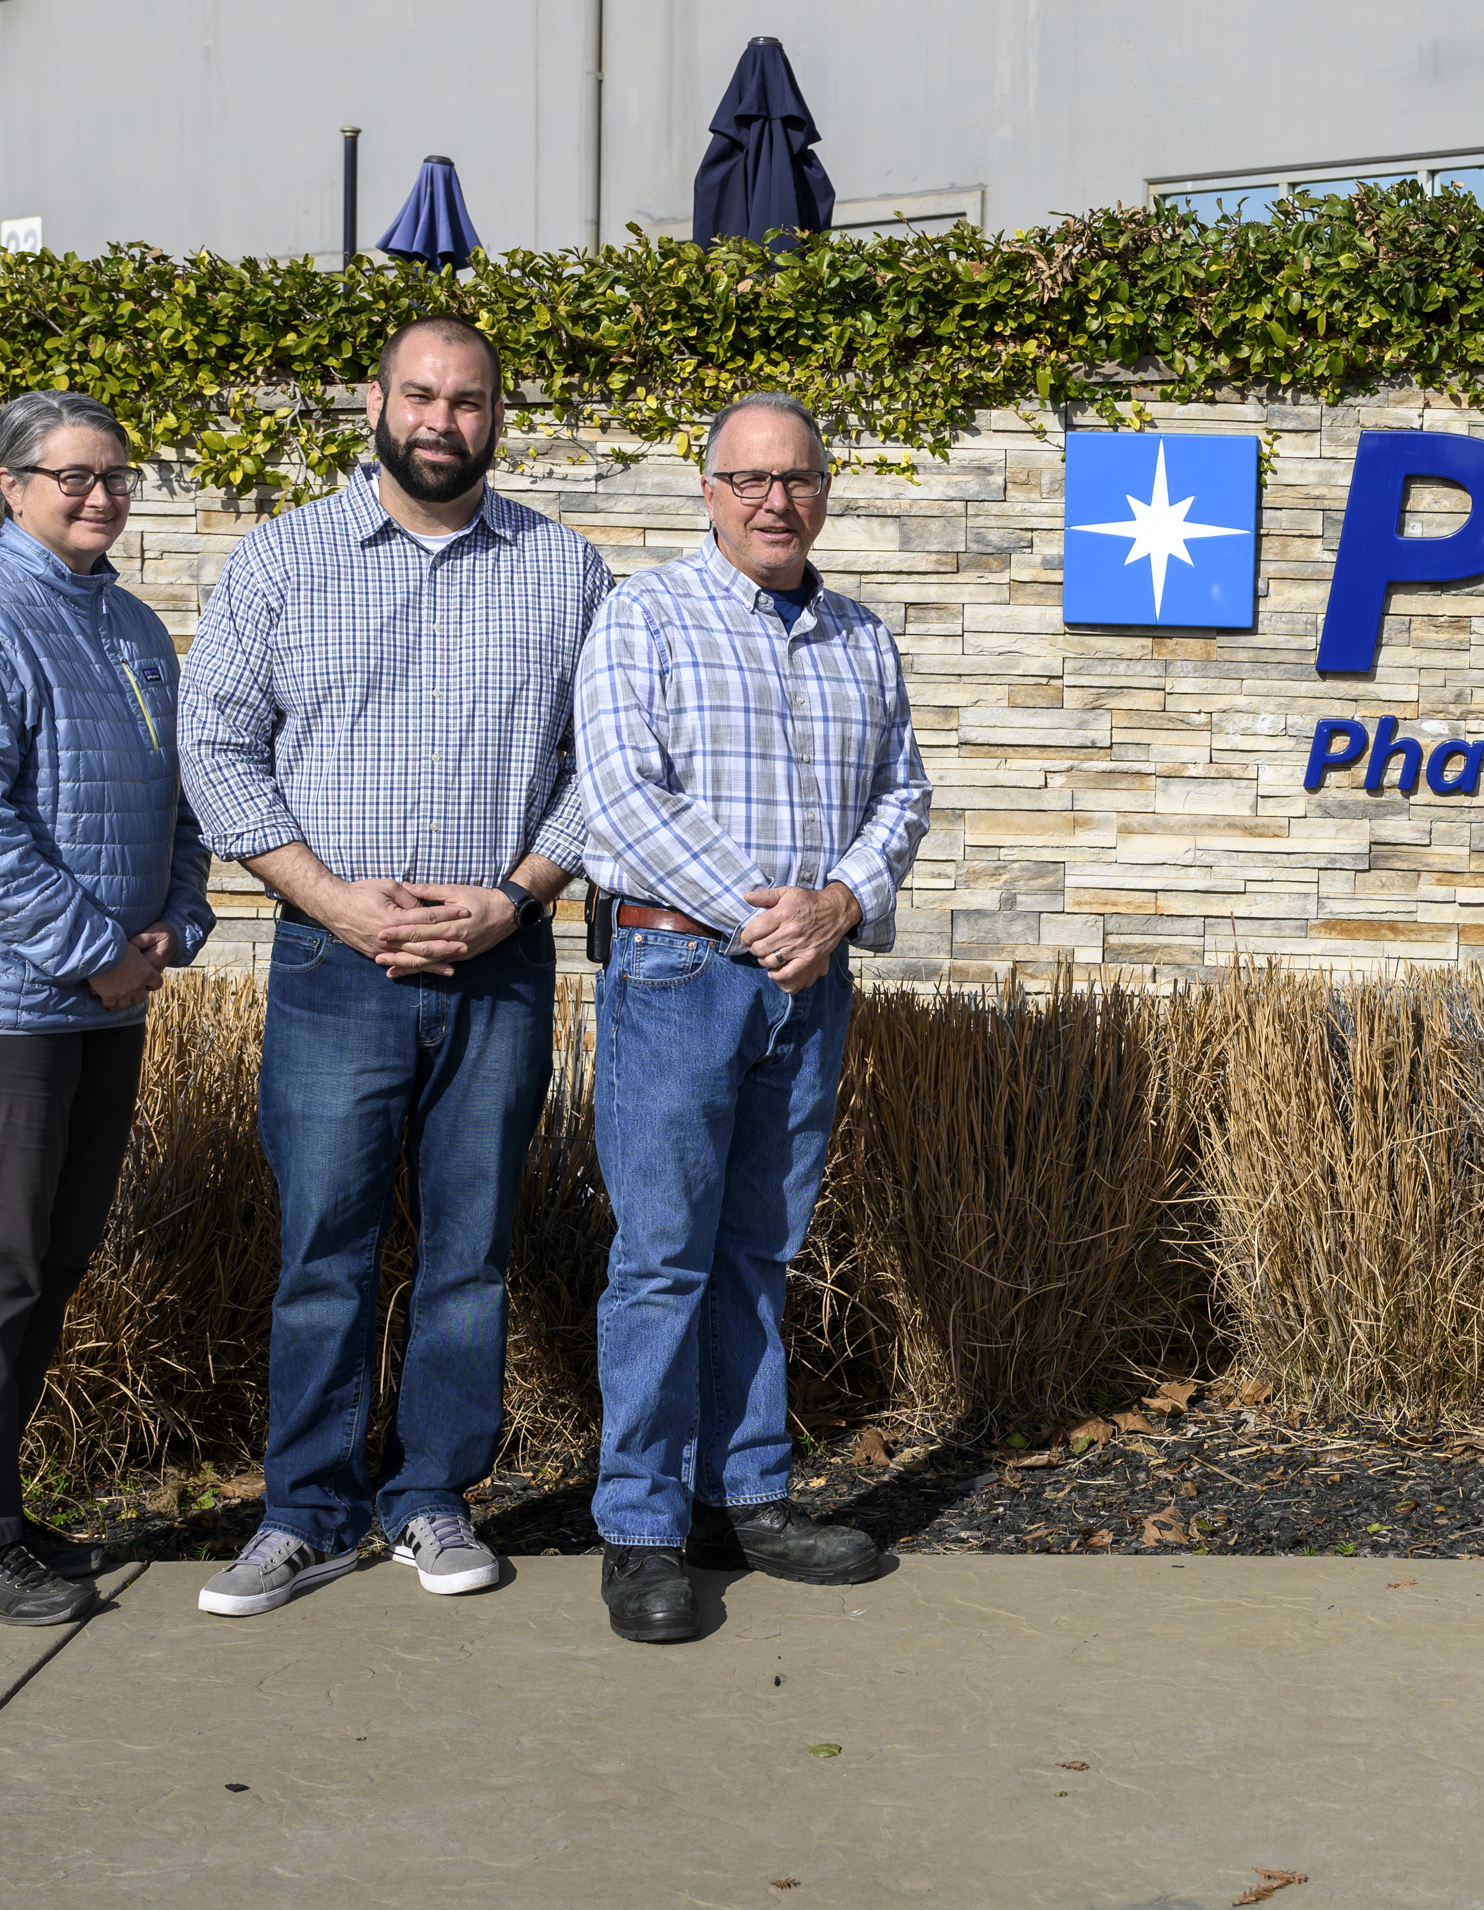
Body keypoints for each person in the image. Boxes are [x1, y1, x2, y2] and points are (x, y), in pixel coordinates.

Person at [178, 316, 614, 1616]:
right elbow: (214, 745)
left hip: (497, 964)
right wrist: (330, 898)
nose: (441, 418)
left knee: (470, 1250)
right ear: (376, 400)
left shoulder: (562, 569)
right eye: (419, 393)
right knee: (326, 1249)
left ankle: (431, 1494)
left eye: (467, 400)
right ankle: (303, 1511)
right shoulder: (283, 559)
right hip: (334, 964)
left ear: (497, 415)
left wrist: (516, 895)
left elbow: (611, 760)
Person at [570, 392, 929, 1643]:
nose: (777, 499)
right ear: (709, 491)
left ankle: (752, 1495)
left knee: (757, 1252)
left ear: (824, 489)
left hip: (808, 983)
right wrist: (762, 911)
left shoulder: (862, 638)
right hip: (678, 975)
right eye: (751, 478)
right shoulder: (643, 617)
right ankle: (642, 1525)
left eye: (800, 477)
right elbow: (618, 794)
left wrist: (835, 904)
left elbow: (902, 792)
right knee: (663, 1255)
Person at [0, 390, 215, 1625]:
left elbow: (179, 802)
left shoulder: (128, 625)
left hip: (94, 1001)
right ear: (9, 488)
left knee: (48, 1260)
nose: (97, 495)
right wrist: (93, 951)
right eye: (69, 475)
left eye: (115, 475)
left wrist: (176, 920)